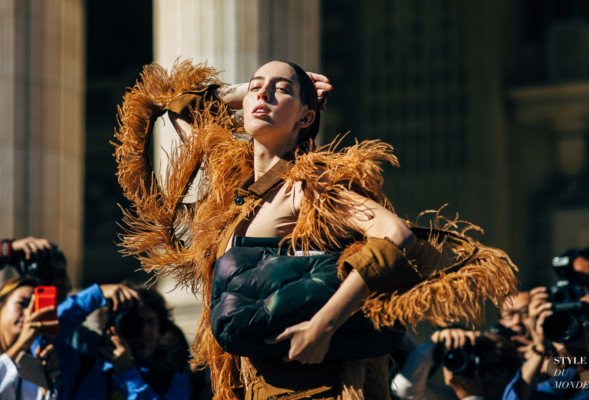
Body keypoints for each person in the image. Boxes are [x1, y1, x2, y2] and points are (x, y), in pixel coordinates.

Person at [114, 59, 518, 399]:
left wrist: (323, 326)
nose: (263, 95)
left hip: (312, 387)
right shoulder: (239, 190)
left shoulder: (309, 185)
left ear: (307, 116)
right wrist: (250, 89)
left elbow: (396, 235)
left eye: (280, 90)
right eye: (257, 87)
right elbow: (173, 103)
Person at [73, 285, 191, 399]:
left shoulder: (172, 380)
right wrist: (98, 292)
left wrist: (128, 373)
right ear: (114, 327)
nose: (143, 331)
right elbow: (60, 324)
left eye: (150, 322)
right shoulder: (91, 367)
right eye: (132, 322)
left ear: (161, 327)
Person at [0, 277, 58, 400]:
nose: (28, 313)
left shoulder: (30, 366)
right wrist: (22, 344)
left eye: (36, 308)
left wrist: (45, 387)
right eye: (23, 304)